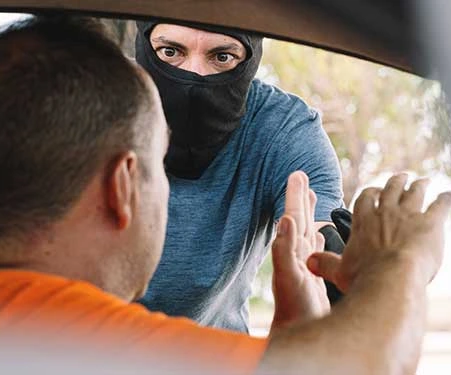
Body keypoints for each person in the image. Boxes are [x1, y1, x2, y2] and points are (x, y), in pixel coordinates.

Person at [0, 16, 451, 375]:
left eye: (220, 56)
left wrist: (299, 330)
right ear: (123, 187)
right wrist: (401, 263)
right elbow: (362, 368)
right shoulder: (99, 347)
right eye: (157, 170)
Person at [133, 22, 346, 332]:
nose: (196, 75)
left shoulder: (283, 129)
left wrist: (358, 273)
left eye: (221, 57)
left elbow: (318, 238)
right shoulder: (93, 106)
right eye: (170, 52)